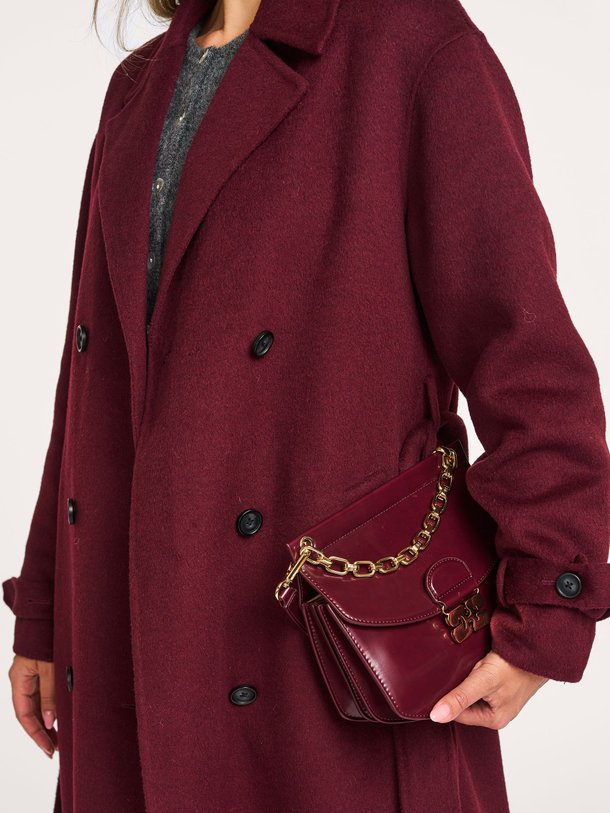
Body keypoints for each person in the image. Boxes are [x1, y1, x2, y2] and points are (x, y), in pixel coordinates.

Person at [4, 0, 610, 811]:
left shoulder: (411, 45)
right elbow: (89, 384)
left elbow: (527, 359)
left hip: (326, 670)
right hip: (125, 647)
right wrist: (45, 614)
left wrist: (549, 604)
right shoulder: (136, 89)